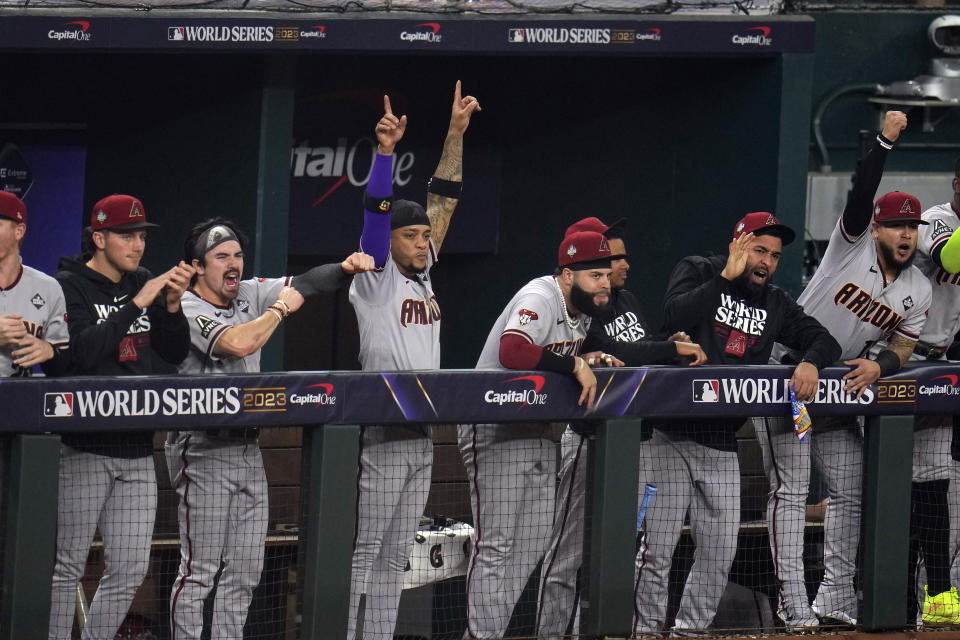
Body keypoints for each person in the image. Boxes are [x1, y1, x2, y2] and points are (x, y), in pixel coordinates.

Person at [753, 111, 931, 631]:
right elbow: (861, 193)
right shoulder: (850, 246)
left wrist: (881, 364)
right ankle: (793, 601)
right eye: (897, 224)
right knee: (791, 489)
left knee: (853, 489)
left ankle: (834, 596)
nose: (905, 234)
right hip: (789, 378)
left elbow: (903, 343)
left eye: (912, 227)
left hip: (833, 395)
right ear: (877, 227)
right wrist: (884, 142)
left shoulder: (917, 289)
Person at [633, 211, 841, 636]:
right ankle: (645, 631)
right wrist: (724, 280)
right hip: (666, 435)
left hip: (722, 441)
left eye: (775, 256)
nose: (766, 262)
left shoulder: (776, 303)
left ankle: (690, 630)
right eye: (759, 250)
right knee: (656, 550)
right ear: (737, 243)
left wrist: (809, 361)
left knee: (720, 550)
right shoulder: (698, 270)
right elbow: (673, 318)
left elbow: (826, 341)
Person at [166, 218, 374, 640]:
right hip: (202, 449)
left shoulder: (247, 291)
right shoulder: (188, 307)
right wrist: (279, 309)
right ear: (196, 266)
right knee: (200, 571)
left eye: (238, 255)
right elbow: (239, 343)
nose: (233, 264)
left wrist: (346, 268)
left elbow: (306, 283)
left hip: (249, 448)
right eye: (221, 256)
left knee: (245, 570)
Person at [347, 82, 480, 640]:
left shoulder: (423, 272)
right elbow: (377, 212)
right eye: (412, 235)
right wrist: (383, 154)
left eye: (425, 235)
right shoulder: (376, 273)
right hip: (381, 430)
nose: (423, 242)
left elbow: (445, 197)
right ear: (392, 239)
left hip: (422, 434)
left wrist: (454, 133)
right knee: (365, 553)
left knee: (397, 555)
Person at [536, 216, 707, 639]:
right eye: (613, 257)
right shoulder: (575, 310)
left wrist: (671, 343)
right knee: (568, 556)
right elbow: (616, 351)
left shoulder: (626, 300)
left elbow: (639, 351)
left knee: (620, 550)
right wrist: (670, 348)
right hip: (591, 441)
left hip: (636, 443)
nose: (623, 264)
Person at [460, 229, 620, 639]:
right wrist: (574, 366)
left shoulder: (581, 311)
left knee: (531, 545)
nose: (604, 283)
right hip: (494, 425)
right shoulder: (541, 296)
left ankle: (486, 634)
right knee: (495, 545)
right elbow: (512, 350)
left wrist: (586, 357)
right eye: (594, 276)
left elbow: (550, 355)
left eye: (606, 274)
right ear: (567, 275)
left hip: (536, 430)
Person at [50, 194, 195, 640]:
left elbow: (172, 352)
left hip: (136, 449)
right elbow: (78, 356)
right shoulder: (68, 286)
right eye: (126, 236)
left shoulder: (145, 282)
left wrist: (170, 307)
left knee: (131, 568)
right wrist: (137, 304)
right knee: (67, 566)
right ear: (99, 238)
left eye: (141, 237)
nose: (137, 246)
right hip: (84, 446)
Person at [895, 160, 960, 625]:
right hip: (898, 361)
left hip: (940, 363)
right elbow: (950, 259)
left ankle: (938, 599)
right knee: (895, 489)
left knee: (935, 486)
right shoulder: (939, 219)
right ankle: (890, 597)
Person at [0, 190, 69, 378]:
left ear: (19, 231)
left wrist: (50, 352)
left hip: (20, 401)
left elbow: (63, 368)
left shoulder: (48, 288)